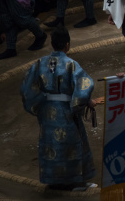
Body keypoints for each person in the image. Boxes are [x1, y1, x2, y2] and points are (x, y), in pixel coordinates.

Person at [20, 27, 97, 191]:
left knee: (51, 145)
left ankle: (53, 181)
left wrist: (39, 105)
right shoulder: (71, 64)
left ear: (52, 44)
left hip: (47, 112)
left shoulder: (39, 64)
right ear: (67, 45)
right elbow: (84, 86)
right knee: (70, 145)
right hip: (65, 111)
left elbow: (27, 89)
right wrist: (81, 104)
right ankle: (75, 183)